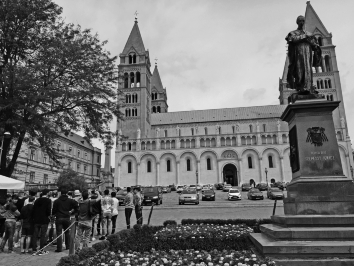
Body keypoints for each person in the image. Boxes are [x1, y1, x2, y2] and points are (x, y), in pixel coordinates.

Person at [286, 15, 322, 93]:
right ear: (297, 22)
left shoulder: (309, 33)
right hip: (299, 54)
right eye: (300, 21)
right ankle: (301, 87)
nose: (301, 22)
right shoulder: (293, 33)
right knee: (300, 69)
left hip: (308, 53)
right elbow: (293, 39)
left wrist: (315, 46)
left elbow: (314, 43)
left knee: (308, 69)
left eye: (303, 21)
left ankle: (309, 87)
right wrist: (305, 37)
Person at [52, 188, 78, 253]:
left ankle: (59, 248)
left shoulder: (57, 201)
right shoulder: (70, 200)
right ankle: (68, 246)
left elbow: (53, 210)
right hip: (67, 217)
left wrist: (53, 215)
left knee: (59, 233)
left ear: (60, 193)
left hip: (59, 217)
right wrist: (72, 211)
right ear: (67, 193)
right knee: (67, 232)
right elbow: (76, 206)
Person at [31, 189, 51, 255]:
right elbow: (48, 211)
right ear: (47, 193)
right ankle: (41, 249)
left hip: (36, 219)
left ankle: (34, 249)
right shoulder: (48, 200)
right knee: (43, 235)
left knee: (35, 234)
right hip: (44, 219)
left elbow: (33, 209)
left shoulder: (37, 200)